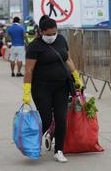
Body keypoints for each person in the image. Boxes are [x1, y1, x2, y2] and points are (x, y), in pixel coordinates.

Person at [23, 15, 83, 163]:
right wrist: (26, 91)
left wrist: (76, 76)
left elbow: (67, 59)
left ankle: (59, 151)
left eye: (54, 33)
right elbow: (29, 70)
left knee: (61, 118)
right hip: (41, 87)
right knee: (46, 119)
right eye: (48, 34)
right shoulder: (34, 46)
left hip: (61, 86)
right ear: (41, 32)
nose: (52, 36)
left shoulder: (61, 40)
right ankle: (31, 145)